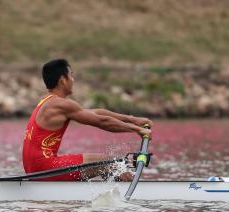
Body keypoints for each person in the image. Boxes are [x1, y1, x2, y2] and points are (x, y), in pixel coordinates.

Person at [22, 59, 153, 181]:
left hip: (34, 168)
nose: (73, 80)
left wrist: (133, 120)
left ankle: (112, 195)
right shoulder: (61, 104)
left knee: (110, 164)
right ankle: (133, 196)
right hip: (44, 168)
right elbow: (103, 122)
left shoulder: (48, 102)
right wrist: (137, 130)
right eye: (71, 75)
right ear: (62, 80)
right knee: (113, 163)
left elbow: (96, 113)